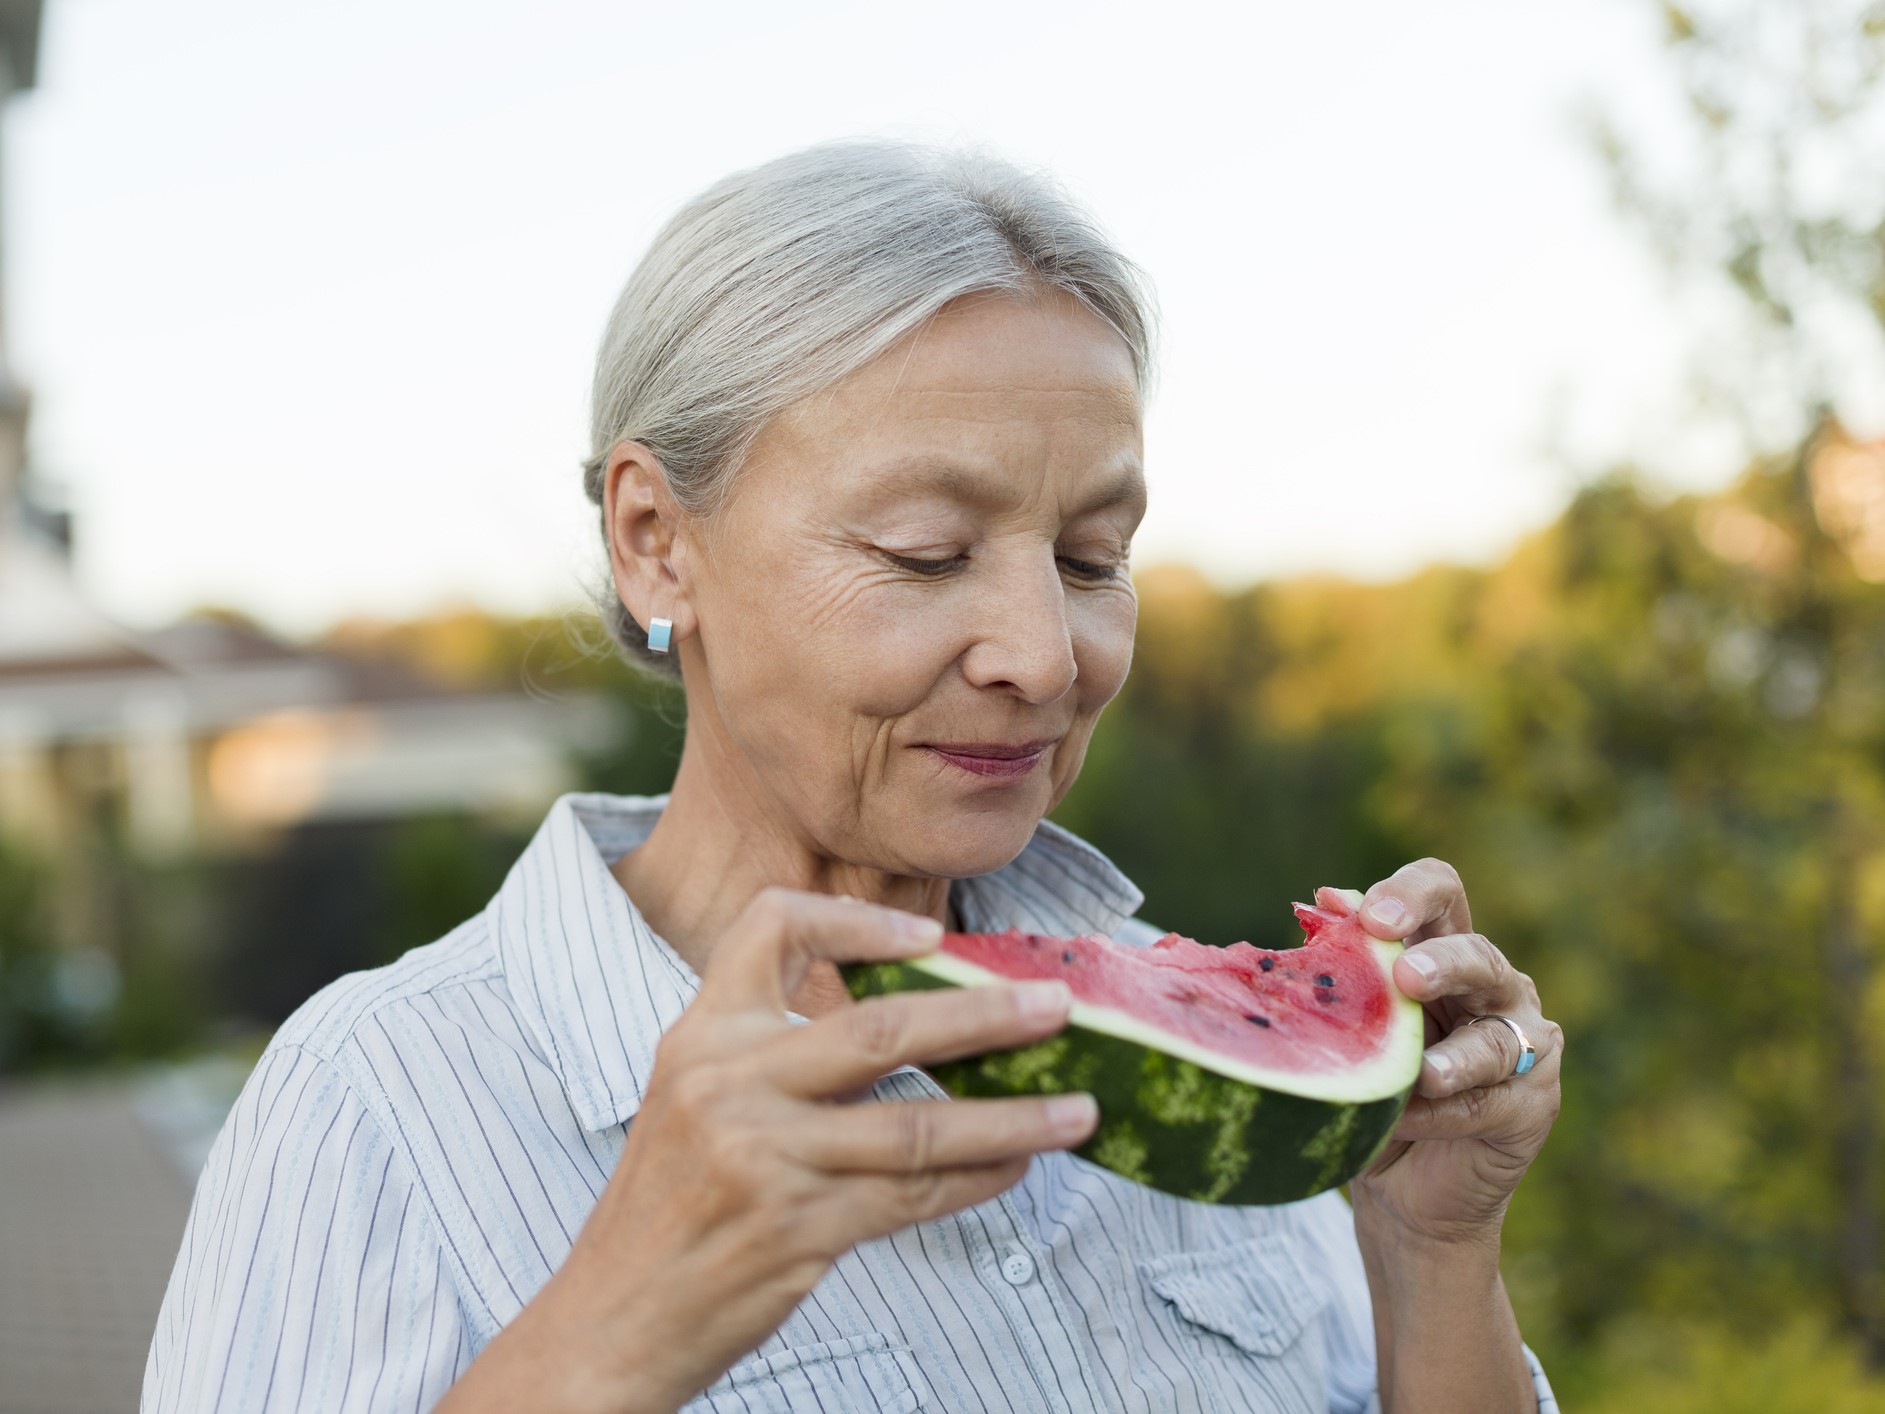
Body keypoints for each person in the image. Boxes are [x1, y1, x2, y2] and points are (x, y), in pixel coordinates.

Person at [143, 140, 1562, 1414]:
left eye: (1089, 557)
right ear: (655, 540)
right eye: (924, 553)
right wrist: (615, 1324)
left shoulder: (1202, 1067)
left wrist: (1430, 1252)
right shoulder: (380, 1102)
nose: (1041, 653)